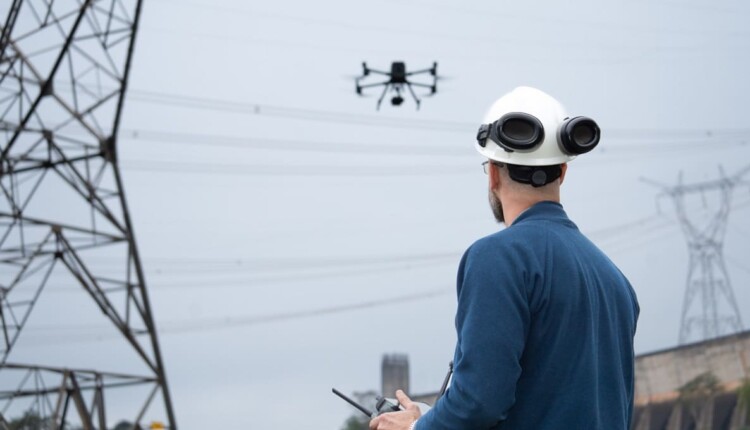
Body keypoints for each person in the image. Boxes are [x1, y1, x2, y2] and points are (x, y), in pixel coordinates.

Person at [369, 86, 640, 430]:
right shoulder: (615, 280)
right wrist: (431, 418)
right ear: (563, 172)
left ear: (493, 173)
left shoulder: (497, 258)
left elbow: (479, 403)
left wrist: (413, 429)